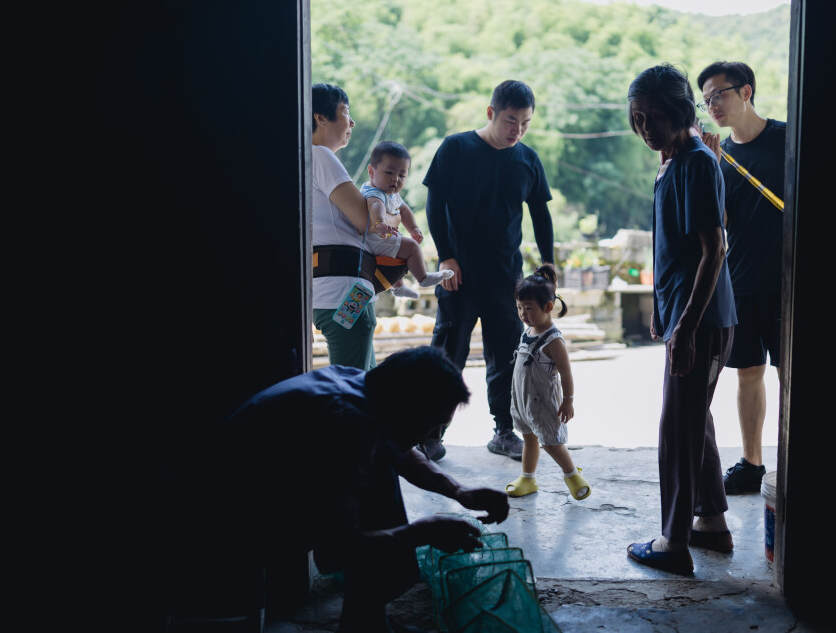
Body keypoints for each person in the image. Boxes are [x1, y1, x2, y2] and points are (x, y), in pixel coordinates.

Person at [207, 346, 511, 632]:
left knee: (381, 477)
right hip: (225, 523)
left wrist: (459, 491)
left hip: (264, 491)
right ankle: (362, 624)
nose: (433, 436)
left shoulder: (363, 387)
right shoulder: (346, 423)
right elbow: (337, 547)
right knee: (386, 539)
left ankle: (365, 621)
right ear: (406, 408)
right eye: (431, 424)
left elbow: (402, 453)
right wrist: (422, 533)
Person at [624, 64, 738, 576]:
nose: (646, 128)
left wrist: (687, 326)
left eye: (655, 117)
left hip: (705, 320)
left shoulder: (694, 161)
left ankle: (672, 542)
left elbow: (714, 250)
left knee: (677, 430)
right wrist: (662, 311)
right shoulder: (674, 160)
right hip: (686, 313)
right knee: (696, 422)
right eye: (638, 118)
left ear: (680, 112)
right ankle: (710, 522)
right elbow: (674, 246)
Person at [423, 80, 556, 463]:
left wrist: (547, 263)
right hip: (458, 275)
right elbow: (434, 204)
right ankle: (430, 434)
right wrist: (446, 255)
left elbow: (541, 214)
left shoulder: (527, 159)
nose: (517, 130)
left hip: (505, 279)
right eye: (511, 121)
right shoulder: (456, 148)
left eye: (525, 123)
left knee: (507, 357)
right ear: (491, 113)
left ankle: (503, 431)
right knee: (448, 355)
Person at [696, 61, 785, 495]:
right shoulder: (719, 155)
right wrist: (712, 167)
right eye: (706, 99)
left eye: (719, 95)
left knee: (791, 374)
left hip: (789, 280)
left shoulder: (787, 139)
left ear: (746, 91)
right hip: (743, 279)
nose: (712, 105)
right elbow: (722, 221)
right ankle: (752, 463)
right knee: (747, 371)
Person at [310, 83, 400, 370]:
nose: (352, 122)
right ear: (320, 118)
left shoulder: (306, 159)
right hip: (344, 289)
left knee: (363, 385)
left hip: (341, 289)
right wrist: (388, 211)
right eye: (344, 112)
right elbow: (367, 222)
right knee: (354, 389)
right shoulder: (322, 156)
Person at [504, 264, 591, 501]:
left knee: (551, 442)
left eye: (528, 308)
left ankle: (572, 475)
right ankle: (528, 478)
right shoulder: (528, 331)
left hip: (543, 402)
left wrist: (568, 400)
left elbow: (566, 372)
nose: (523, 313)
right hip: (523, 400)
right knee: (528, 437)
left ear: (548, 307)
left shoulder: (553, 340)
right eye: (519, 307)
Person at [360, 140, 450, 300]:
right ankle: (423, 278)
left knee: (401, 246)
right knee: (412, 247)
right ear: (371, 172)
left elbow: (404, 209)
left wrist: (414, 228)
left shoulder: (391, 194)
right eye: (389, 173)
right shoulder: (374, 193)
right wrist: (380, 222)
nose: (395, 179)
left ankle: (399, 287)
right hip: (373, 241)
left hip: (380, 240)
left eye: (402, 175)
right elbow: (376, 206)